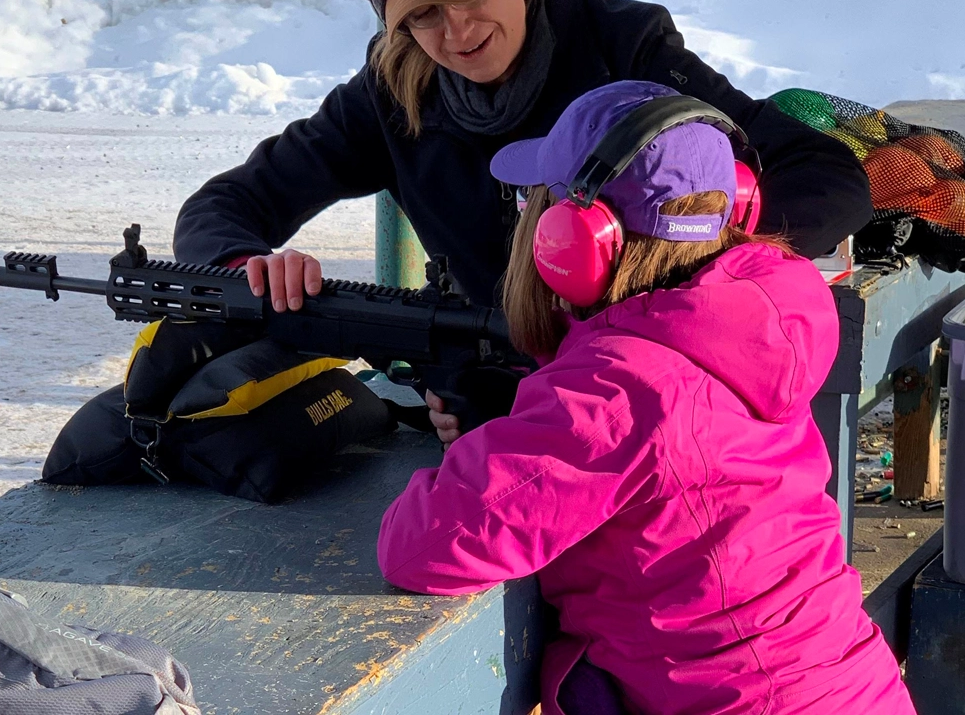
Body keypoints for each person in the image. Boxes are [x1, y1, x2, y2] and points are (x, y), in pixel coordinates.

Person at [169, 0, 871, 438]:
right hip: (495, 401)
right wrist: (249, 267)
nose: (457, 30)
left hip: (655, 380)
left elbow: (825, 178)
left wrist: (673, 268)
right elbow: (223, 206)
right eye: (423, 15)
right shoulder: (391, 93)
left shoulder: (625, 49)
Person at [376, 80, 914, 715]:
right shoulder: (756, 326)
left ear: (580, 238)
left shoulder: (619, 392)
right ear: (738, 207)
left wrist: (491, 441)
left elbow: (423, 546)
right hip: (845, 686)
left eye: (534, 204)